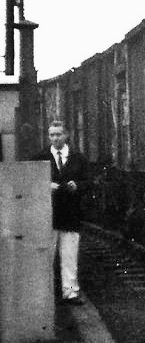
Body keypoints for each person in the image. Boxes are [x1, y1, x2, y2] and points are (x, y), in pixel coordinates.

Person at [36, 120, 88, 304]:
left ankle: (71, 293)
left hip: (70, 215)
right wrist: (45, 184)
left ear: (66, 135)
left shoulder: (78, 158)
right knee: (45, 255)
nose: (55, 138)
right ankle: (44, 295)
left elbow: (88, 182)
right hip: (47, 215)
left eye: (58, 134)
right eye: (52, 135)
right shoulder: (39, 157)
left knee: (69, 256)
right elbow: (31, 183)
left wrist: (78, 185)